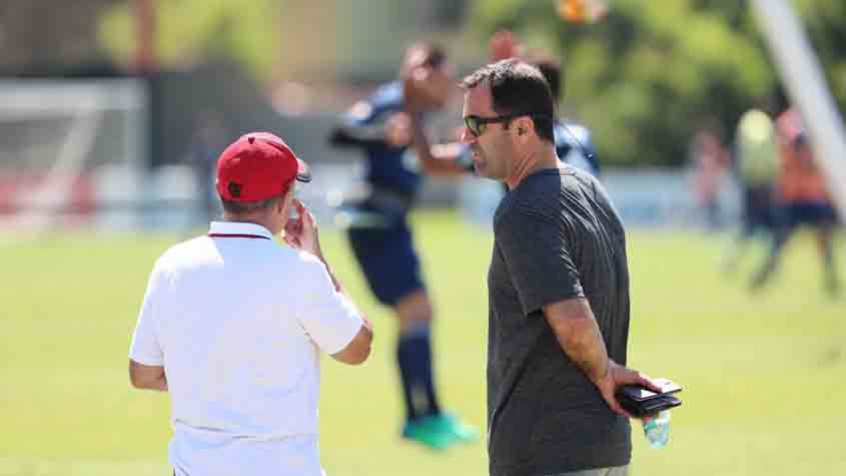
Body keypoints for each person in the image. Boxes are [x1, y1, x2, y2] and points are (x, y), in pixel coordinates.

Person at [129, 132, 374, 476]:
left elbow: (142, 374)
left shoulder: (171, 264)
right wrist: (319, 260)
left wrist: (216, 379)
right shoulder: (301, 271)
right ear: (285, 199)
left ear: (220, 190)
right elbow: (357, 347)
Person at [459, 59, 658, 476]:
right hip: (606, 449)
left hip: (545, 453)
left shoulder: (523, 211)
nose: (465, 138)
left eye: (477, 124)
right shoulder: (589, 188)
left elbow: (570, 316)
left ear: (522, 128)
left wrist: (605, 374)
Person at [327, 42, 476, 450]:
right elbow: (340, 132)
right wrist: (381, 135)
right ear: (425, 73)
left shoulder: (420, 111)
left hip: (392, 222)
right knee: (417, 311)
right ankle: (421, 418)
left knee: (416, 315)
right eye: (445, 79)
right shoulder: (392, 100)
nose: (449, 90)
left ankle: (424, 415)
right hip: (375, 220)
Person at [750, 107, 841, 295]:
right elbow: (791, 149)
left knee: (824, 239)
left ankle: (831, 281)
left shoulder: (818, 117)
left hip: (813, 196)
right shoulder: (789, 121)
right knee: (781, 240)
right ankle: (762, 277)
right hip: (793, 197)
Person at [720, 107, 779, 273]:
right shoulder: (766, 125)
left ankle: (731, 260)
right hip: (766, 185)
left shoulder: (747, 125)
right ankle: (771, 264)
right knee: (773, 229)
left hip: (749, 184)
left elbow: (736, 157)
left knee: (748, 227)